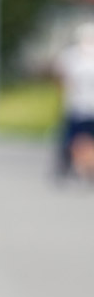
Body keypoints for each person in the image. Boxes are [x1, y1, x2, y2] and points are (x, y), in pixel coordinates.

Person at [54, 22, 94, 180]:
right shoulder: (71, 56)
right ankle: (77, 166)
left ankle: (81, 167)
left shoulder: (71, 56)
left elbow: (62, 79)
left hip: (81, 104)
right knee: (76, 138)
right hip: (77, 104)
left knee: (78, 139)